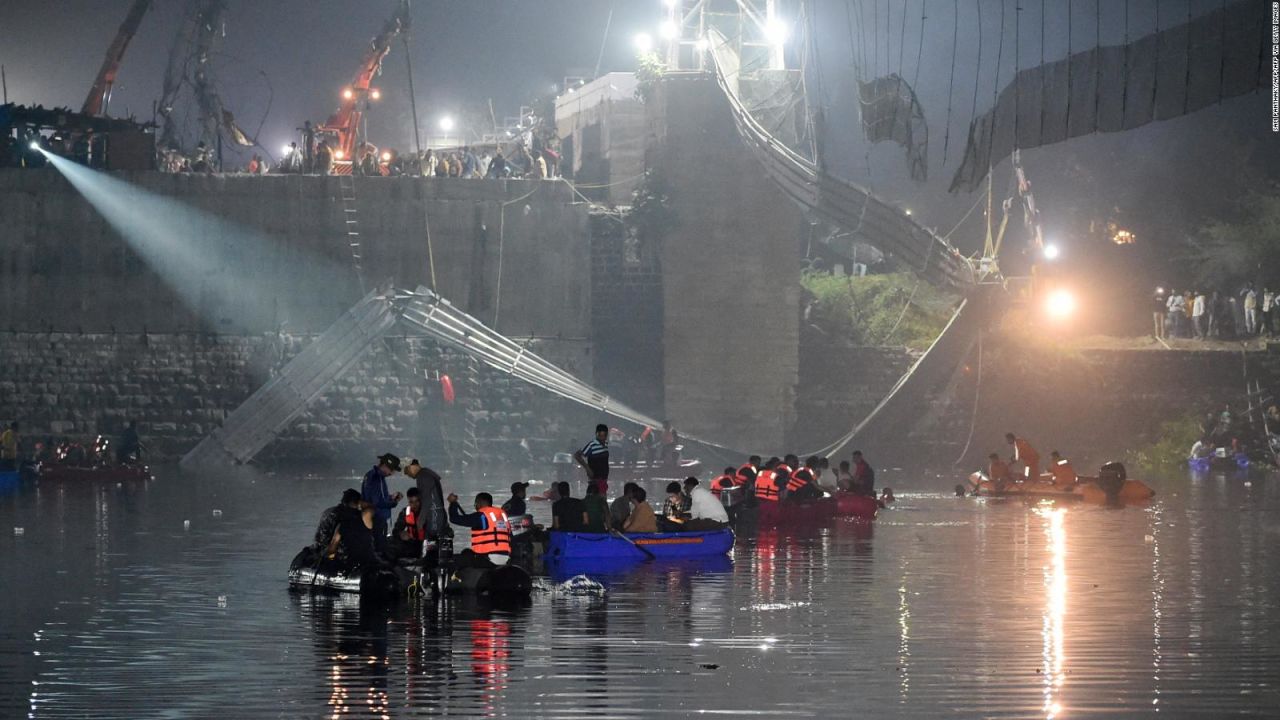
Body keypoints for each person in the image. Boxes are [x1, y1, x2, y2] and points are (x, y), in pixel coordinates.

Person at [447, 491, 512, 567]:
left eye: (475, 504)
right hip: (506, 557)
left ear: (480, 503)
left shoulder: (481, 516)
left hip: (487, 558)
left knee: (452, 560)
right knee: (467, 553)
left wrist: (452, 503)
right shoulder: (502, 516)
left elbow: (454, 519)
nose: (475, 506)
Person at [361, 453, 403, 549]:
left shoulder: (370, 475)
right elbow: (378, 503)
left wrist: (390, 497)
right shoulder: (377, 478)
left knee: (373, 544)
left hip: (370, 518)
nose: (392, 473)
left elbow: (375, 497)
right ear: (385, 466)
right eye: (392, 470)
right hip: (377, 518)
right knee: (379, 545)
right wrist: (394, 502)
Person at [312, 488, 363, 554]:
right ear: (352, 503)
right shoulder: (345, 515)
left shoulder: (330, 511)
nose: (359, 508)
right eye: (358, 505)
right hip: (328, 549)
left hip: (319, 546)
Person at [573, 423, 611, 493]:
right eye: (600, 435)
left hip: (604, 478)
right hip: (595, 480)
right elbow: (577, 455)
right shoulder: (592, 445)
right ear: (596, 434)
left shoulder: (606, 444)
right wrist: (587, 468)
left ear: (606, 435)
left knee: (602, 499)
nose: (602, 438)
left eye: (604, 435)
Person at [390, 487, 426, 559]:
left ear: (421, 500)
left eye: (417, 501)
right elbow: (396, 530)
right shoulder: (405, 512)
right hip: (411, 543)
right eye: (411, 502)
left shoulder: (427, 512)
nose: (414, 505)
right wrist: (401, 533)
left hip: (425, 543)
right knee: (390, 541)